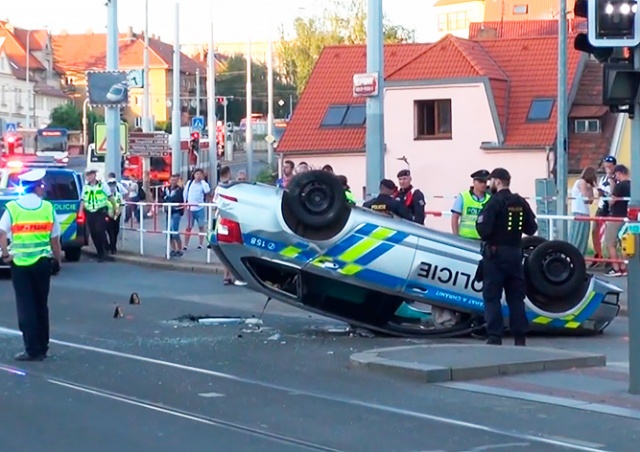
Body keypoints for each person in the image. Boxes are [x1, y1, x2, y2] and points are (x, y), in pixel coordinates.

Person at [0, 169, 62, 361]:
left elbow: (2, 233)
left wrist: (5, 254)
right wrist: (57, 261)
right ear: (36, 187)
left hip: (20, 264)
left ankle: (31, 348)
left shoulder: (13, 207)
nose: (43, 188)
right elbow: (55, 240)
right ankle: (43, 346)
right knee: (41, 304)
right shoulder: (47, 208)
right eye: (42, 185)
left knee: (26, 305)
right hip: (42, 262)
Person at [475, 168, 538, 346]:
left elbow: (483, 230)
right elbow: (531, 229)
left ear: (497, 181)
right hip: (515, 254)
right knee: (515, 297)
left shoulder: (494, 202)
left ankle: (495, 336)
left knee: (492, 296)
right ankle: (520, 337)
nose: (489, 184)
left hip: (495, 255)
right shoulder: (520, 202)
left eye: (491, 181)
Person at [81, 169, 113, 262]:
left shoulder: (102, 185)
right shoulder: (85, 187)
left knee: (100, 231)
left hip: (100, 211)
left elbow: (110, 197)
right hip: (89, 212)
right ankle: (100, 253)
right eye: (87, 176)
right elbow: (82, 200)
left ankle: (105, 249)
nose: (88, 177)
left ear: (94, 175)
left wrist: (115, 208)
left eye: (90, 175)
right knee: (94, 234)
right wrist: (80, 211)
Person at [605, 164, 631, 277]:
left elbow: (612, 201)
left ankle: (616, 268)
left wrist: (611, 184)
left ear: (619, 173)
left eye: (616, 175)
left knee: (610, 242)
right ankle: (624, 267)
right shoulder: (633, 185)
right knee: (624, 243)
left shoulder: (619, 186)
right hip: (627, 217)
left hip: (616, 217)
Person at [592, 156, 617, 269]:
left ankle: (611, 260)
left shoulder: (616, 178)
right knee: (595, 231)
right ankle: (598, 256)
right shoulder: (602, 179)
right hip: (601, 207)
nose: (607, 168)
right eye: (606, 166)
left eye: (609, 166)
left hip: (611, 209)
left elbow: (614, 192)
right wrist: (599, 190)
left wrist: (611, 178)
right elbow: (600, 194)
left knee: (609, 235)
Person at [451, 169, 491, 238]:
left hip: (482, 239)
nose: (483, 184)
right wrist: (456, 237)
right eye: (480, 182)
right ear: (474, 182)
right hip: (464, 238)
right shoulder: (463, 197)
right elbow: (455, 218)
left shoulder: (490, 199)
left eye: (485, 182)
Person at [568, 166, 597, 255]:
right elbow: (586, 198)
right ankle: (574, 253)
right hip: (579, 211)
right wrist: (588, 189)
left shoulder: (588, 185)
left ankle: (580, 254)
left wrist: (591, 188)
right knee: (578, 235)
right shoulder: (581, 182)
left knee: (583, 235)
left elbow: (591, 201)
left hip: (585, 212)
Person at [183, 168, 212, 250]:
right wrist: (185, 202)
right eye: (197, 174)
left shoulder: (204, 184)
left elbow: (207, 191)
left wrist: (203, 182)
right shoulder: (189, 183)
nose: (198, 176)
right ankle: (185, 245)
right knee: (188, 227)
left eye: (200, 174)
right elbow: (185, 193)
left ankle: (200, 244)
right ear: (194, 175)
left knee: (201, 226)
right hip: (190, 209)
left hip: (199, 208)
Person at [163, 174, 184, 258]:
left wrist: (167, 199)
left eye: (175, 180)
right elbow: (162, 198)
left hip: (176, 211)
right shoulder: (166, 189)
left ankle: (179, 249)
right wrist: (167, 199)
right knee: (168, 232)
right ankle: (174, 249)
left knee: (174, 231)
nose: (173, 181)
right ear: (169, 180)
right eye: (172, 180)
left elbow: (178, 199)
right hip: (168, 212)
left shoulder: (180, 190)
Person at [106, 177, 124, 254]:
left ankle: (113, 246)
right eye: (110, 185)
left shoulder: (118, 195)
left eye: (113, 184)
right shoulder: (105, 196)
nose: (112, 186)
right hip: (108, 215)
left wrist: (117, 213)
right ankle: (112, 248)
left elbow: (121, 205)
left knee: (115, 231)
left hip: (117, 215)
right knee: (110, 232)